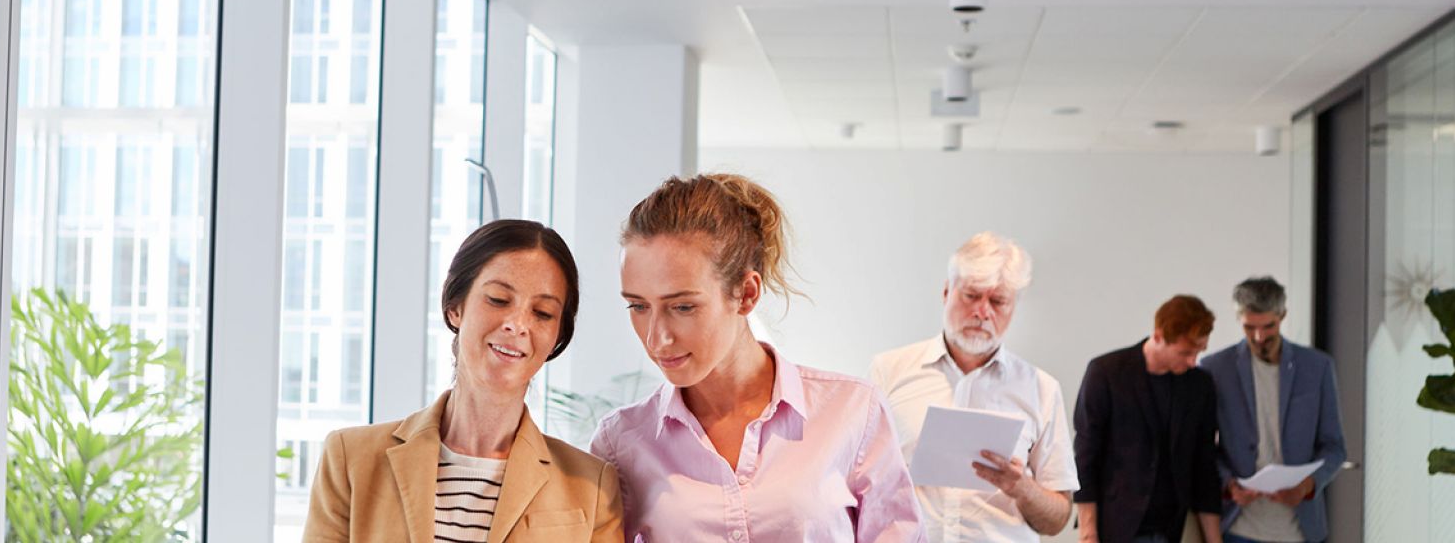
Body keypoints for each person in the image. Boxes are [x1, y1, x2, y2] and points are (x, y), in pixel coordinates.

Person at [588, 173, 925, 542]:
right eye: (638, 306)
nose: (657, 338)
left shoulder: (853, 411)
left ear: (746, 294)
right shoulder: (620, 442)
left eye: (683, 307)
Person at [303, 220, 622, 543]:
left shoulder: (592, 488)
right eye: (498, 299)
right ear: (455, 307)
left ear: (557, 336)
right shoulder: (350, 459)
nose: (517, 324)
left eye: (542, 313)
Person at [870, 233, 1077, 541]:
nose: (982, 312)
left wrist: (1021, 487)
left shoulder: (1041, 389)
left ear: (1013, 308)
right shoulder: (889, 371)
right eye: (971, 296)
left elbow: (1057, 519)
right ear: (946, 292)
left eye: (998, 301)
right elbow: (857, 478)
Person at [1199, 277, 1346, 543]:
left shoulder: (1317, 367)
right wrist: (1229, 484)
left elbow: (1334, 448)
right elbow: (1203, 449)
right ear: (1239, 319)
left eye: (1268, 326)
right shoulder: (1215, 369)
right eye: (1249, 327)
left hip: (1301, 531)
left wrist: (1307, 486)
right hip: (1237, 529)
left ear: (1282, 316)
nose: (1259, 337)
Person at [1073, 295, 1223, 543]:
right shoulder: (1106, 373)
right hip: (1117, 527)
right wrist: (1088, 534)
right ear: (1158, 336)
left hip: (1173, 528)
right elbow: (1086, 456)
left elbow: (1204, 466)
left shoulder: (1200, 384)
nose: (1192, 361)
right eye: (1185, 352)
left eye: (1199, 352)